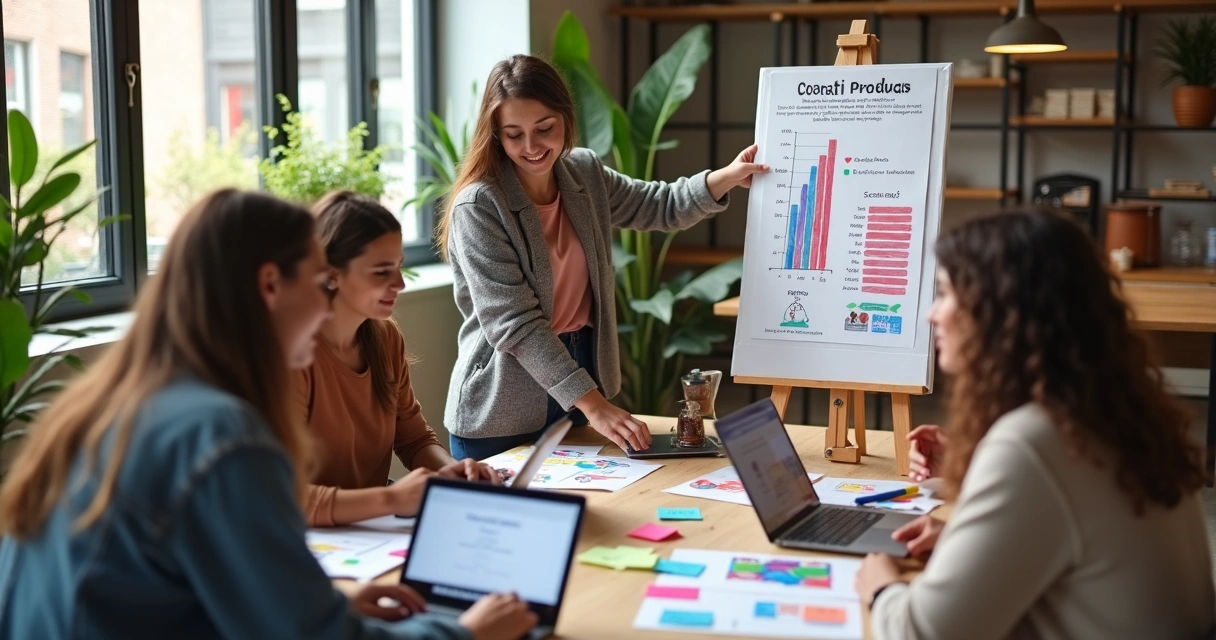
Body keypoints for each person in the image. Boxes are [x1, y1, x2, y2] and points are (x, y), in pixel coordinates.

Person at [0, 190, 536, 640]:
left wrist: (326, 602)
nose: (325, 306)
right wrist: (466, 633)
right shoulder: (223, 435)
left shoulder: (116, 401)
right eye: (318, 283)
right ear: (270, 285)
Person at [855, 209, 1215, 639]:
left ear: (1001, 314)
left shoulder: (1033, 443)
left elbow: (921, 633)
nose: (933, 314)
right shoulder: (1112, 416)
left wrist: (880, 586)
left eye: (946, 293)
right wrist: (964, 527)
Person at [438, 54, 769, 460]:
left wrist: (727, 177)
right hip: (503, 405)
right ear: (495, 136)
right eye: (513, 135)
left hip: (577, 385)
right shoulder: (479, 206)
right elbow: (515, 324)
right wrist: (594, 406)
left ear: (565, 118)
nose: (531, 147)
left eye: (544, 128)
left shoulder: (583, 171)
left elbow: (657, 205)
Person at [299, 191, 497, 528]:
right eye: (381, 272)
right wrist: (391, 499)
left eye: (399, 266)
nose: (400, 283)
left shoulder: (384, 337)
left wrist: (453, 472)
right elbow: (279, 496)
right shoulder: (292, 357)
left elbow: (414, 439)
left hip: (370, 527)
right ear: (331, 274)